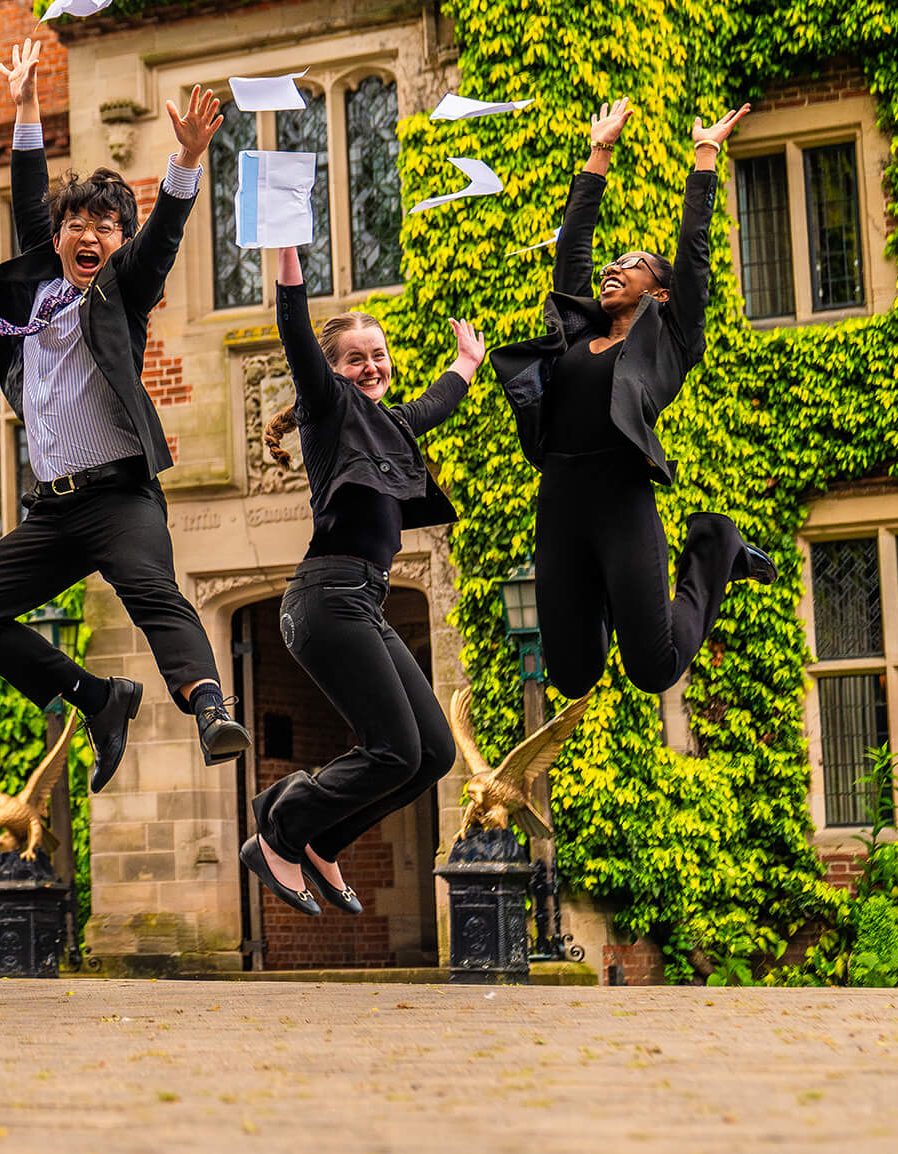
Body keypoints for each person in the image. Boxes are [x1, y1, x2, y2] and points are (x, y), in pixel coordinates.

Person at [0, 39, 249, 793]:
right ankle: (100, 699)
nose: (89, 236)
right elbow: (27, 192)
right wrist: (26, 105)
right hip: (51, 513)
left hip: (117, 497)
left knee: (154, 593)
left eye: (106, 228)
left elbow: (163, 238)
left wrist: (188, 161)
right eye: (78, 224)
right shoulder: (35, 289)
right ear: (61, 234)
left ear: (117, 243)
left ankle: (209, 710)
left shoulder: (121, 290)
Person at [487, 97, 774, 710]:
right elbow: (574, 249)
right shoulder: (573, 330)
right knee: (573, 676)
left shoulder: (670, 339)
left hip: (621, 497)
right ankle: (616, 599)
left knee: (655, 666)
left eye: (634, 265)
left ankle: (716, 544)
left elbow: (694, 255)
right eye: (614, 263)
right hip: (560, 498)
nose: (615, 267)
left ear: (661, 293)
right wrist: (600, 151)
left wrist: (705, 154)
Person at [238, 244, 482, 916]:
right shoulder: (327, 407)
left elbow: (433, 405)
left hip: (361, 600)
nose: (371, 367)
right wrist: (289, 258)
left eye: (379, 355)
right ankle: (280, 828)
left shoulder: (390, 427)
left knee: (428, 753)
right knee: (391, 747)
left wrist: (466, 365)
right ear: (336, 369)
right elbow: (295, 332)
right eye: (356, 358)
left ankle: (322, 841)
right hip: (327, 598)